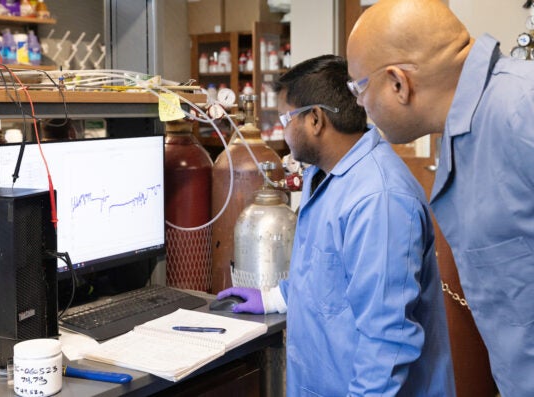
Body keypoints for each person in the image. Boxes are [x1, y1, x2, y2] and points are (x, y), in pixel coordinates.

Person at [216, 54, 455, 396]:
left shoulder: (379, 200)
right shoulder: (325, 176)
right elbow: (329, 274)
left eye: (286, 118)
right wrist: (274, 298)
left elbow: (386, 341)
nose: (284, 131)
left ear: (315, 119)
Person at [345, 1, 534, 396]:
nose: (359, 104)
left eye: (359, 88)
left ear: (399, 83)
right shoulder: (465, 130)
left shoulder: (522, 110)